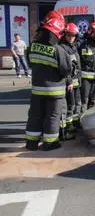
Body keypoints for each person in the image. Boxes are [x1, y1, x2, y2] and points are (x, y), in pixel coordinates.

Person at [24, 11, 71, 151]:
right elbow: (66, 70)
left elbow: (30, 64)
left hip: (37, 89)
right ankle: (50, 143)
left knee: (35, 115)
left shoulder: (32, 46)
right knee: (52, 116)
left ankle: (31, 143)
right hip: (55, 91)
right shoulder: (58, 50)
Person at [59, 23, 81, 140]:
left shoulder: (73, 46)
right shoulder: (63, 47)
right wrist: (69, 82)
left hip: (76, 82)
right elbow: (65, 68)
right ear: (64, 34)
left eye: (73, 35)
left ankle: (73, 126)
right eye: (68, 35)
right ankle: (67, 128)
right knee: (69, 106)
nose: (71, 37)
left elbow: (76, 66)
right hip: (69, 83)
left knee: (75, 105)